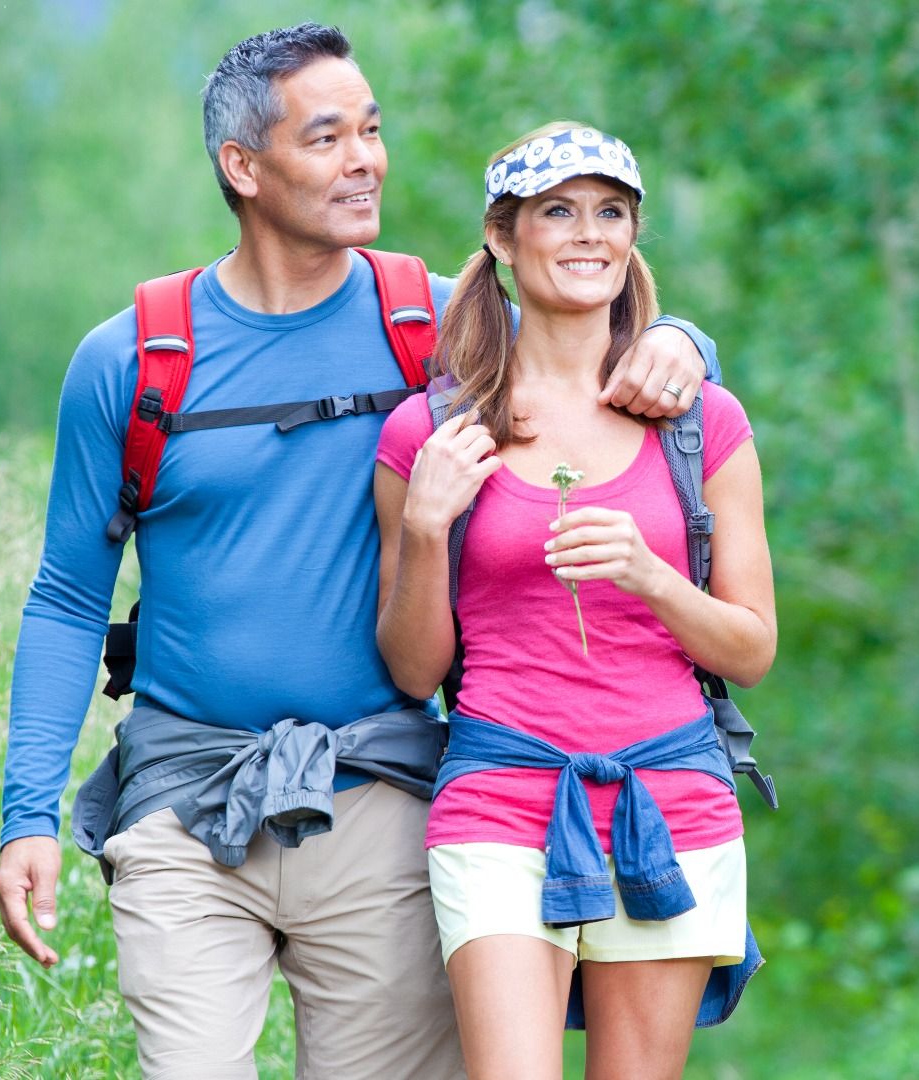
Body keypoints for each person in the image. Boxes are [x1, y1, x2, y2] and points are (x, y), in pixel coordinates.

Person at [0, 25, 719, 1080]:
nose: (366, 159)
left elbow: (587, 320)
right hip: (185, 807)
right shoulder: (135, 358)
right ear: (244, 167)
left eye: (371, 131)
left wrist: (684, 342)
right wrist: (28, 817)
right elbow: (66, 597)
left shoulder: (428, 327)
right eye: (327, 137)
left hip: (383, 801)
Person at [373, 121, 776, 1080]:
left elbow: (751, 648)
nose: (587, 233)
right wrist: (428, 526)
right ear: (504, 239)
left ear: (634, 237)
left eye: (610, 212)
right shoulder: (430, 433)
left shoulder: (702, 421)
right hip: (499, 797)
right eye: (557, 211)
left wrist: (650, 575)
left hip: (672, 798)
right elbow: (413, 669)